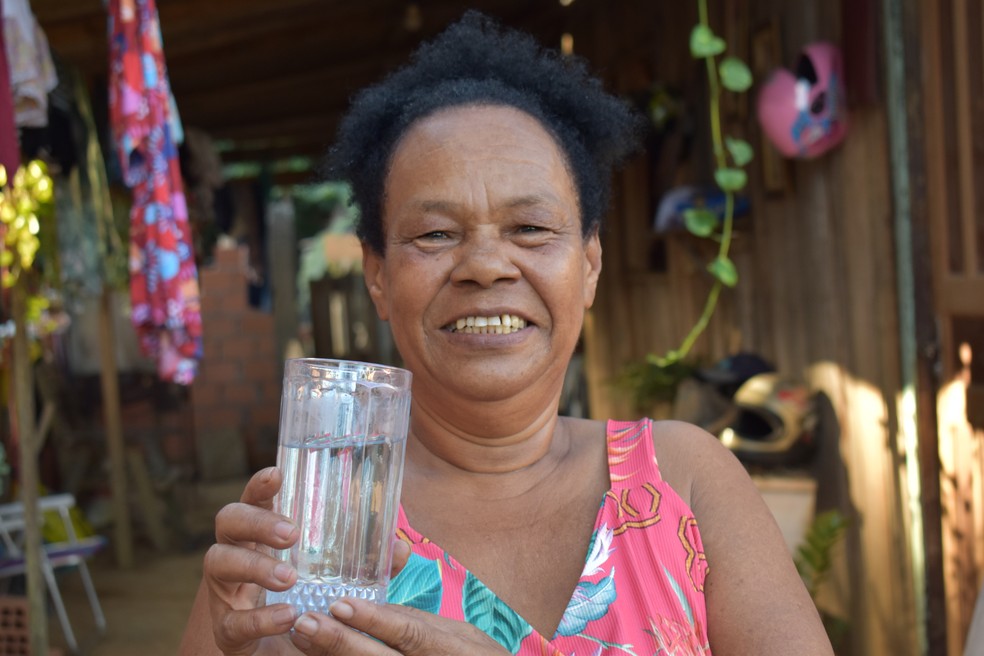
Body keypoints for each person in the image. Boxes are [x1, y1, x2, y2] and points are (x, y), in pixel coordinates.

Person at [180, 11, 834, 656]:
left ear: (589, 265)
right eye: (436, 234)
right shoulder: (317, 535)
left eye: (530, 229)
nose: (487, 266)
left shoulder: (685, 483)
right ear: (377, 274)